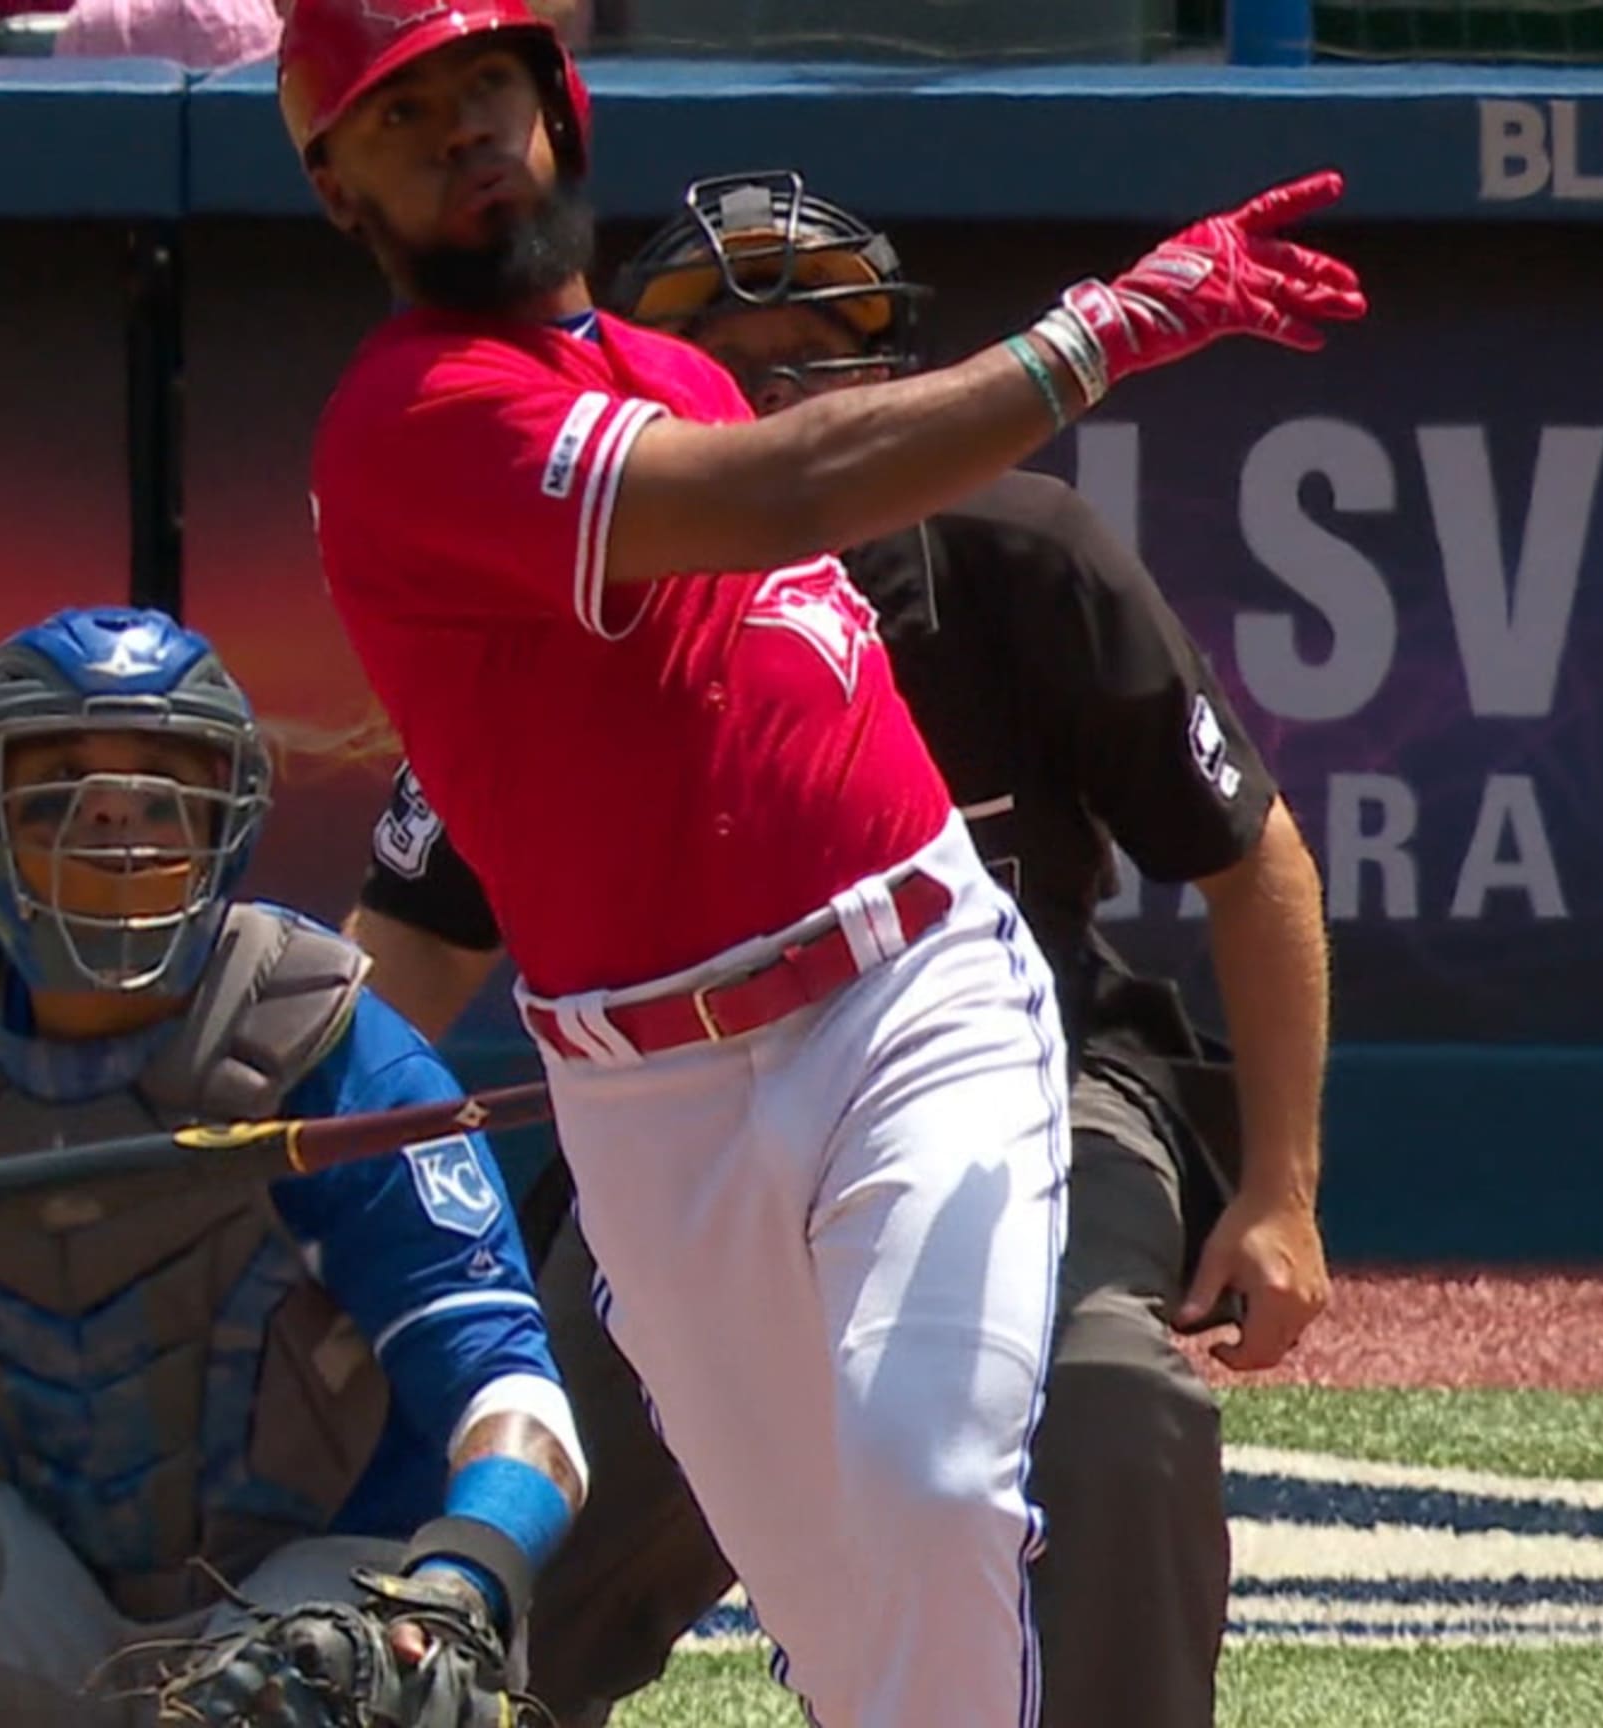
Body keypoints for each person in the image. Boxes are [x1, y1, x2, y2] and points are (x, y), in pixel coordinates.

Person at [272, 2, 1364, 1723]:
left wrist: (1282, 1180)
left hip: (911, 994)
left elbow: (1249, 855)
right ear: (337, 188)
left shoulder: (777, 439)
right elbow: (405, 943)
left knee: (936, 1490)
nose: (462, 130)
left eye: (488, 85)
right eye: (402, 119)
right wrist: (313, 1189)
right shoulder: (419, 427)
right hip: (648, 1105)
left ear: (559, 113)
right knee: (858, 1634)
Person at [0, 606, 588, 1728]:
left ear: (227, 817)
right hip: (50, 1601)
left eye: (166, 781)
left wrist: (462, 1585)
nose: (116, 816)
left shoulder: (333, 1054)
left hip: (325, 1594)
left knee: (348, 1682)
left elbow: (513, 1397)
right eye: (61, 779)